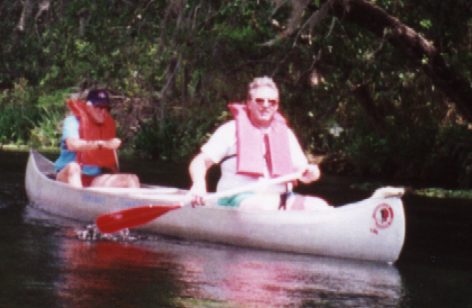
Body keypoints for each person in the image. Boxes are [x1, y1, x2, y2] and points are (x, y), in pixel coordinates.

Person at [188, 76, 330, 211]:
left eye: (272, 102)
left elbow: (303, 172)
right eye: (260, 100)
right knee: (264, 207)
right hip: (237, 199)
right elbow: (200, 161)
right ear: (249, 103)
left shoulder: (286, 134)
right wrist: (199, 184)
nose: (266, 105)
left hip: (281, 199)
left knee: (319, 206)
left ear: (277, 105)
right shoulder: (230, 130)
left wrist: (312, 173)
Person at [54, 89, 140, 188]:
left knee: (132, 179)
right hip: (66, 176)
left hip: (93, 178)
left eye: (106, 108)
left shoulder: (106, 127)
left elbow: (113, 162)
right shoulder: (72, 121)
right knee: (74, 167)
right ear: (88, 107)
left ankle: (135, 202)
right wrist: (103, 144)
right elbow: (72, 145)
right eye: (98, 107)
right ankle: (79, 201)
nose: (103, 111)